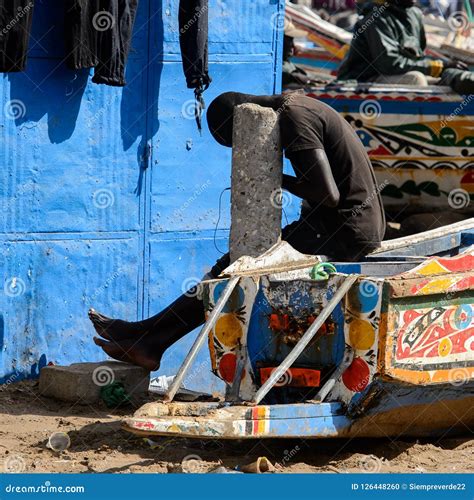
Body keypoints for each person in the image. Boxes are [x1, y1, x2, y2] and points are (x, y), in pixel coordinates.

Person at [90, 91, 386, 371]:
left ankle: (151, 340)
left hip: (346, 229)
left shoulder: (294, 117)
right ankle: (146, 333)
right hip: (338, 225)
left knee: (234, 269)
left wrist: (270, 176)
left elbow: (326, 194)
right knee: (230, 265)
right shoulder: (298, 107)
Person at [337, 0, 474, 94]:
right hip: (365, 80)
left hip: (394, 76)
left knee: (452, 79)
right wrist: (438, 67)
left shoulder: (414, 15)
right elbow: (389, 64)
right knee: (416, 79)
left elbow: (418, 56)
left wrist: (446, 66)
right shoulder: (376, 17)